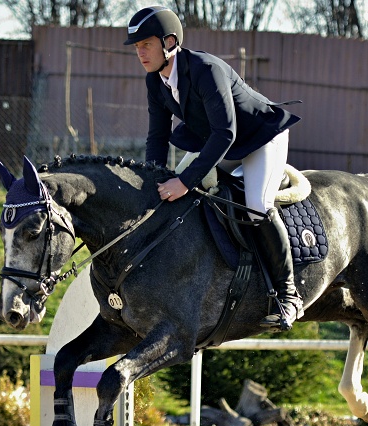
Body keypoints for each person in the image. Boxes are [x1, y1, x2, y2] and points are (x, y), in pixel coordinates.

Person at [124, 6, 304, 331]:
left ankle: (289, 295)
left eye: (146, 44)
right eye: (137, 47)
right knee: (174, 192)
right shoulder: (155, 81)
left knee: (256, 207)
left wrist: (184, 181)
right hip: (220, 142)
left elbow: (225, 133)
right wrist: (153, 178)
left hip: (260, 138)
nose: (140, 53)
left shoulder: (205, 70)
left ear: (169, 42)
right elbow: (157, 137)